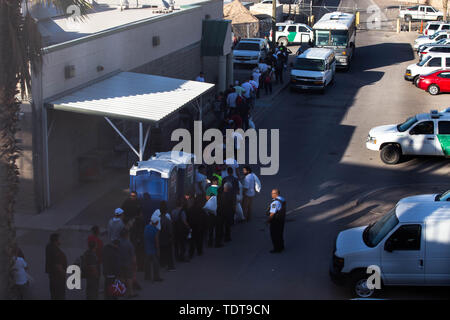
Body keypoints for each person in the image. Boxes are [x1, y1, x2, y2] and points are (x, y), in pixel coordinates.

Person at [45, 233, 67, 300]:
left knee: (54, 296)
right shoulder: (55, 250)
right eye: (60, 239)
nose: (61, 240)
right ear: (56, 240)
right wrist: (64, 274)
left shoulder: (49, 247)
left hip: (53, 276)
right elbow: (57, 265)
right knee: (59, 296)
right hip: (58, 278)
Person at [118, 229, 138, 298]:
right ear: (126, 235)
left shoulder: (118, 243)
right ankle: (131, 293)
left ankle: (122, 291)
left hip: (120, 263)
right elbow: (133, 256)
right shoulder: (129, 244)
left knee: (122, 278)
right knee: (129, 278)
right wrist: (135, 264)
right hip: (128, 264)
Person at [266, 189, 286, 253]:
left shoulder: (275, 203)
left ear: (276, 194)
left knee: (274, 235)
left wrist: (268, 221)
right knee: (280, 234)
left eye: (272, 193)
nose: (271, 195)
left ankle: (277, 249)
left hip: (276, 221)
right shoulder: (282, 199)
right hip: (282, 219)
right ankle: (281, 246)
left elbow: (272, 213)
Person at [144, 215, 163, 282]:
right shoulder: (155, 230)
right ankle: (156, 277)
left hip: (147, 249)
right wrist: (158, 251)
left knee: (147, 264)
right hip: (153, 250)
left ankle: (147, 277)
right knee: (156, 264)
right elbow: (157, 241)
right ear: (157, 222)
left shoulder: (146, 227)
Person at [171, 197, 190, 262]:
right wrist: (188, 227)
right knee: (182, 244)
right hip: (181, 230)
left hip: (175, 230)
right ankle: (182, 257)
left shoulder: (173, 211)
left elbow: (172, 220)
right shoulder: (182, 212)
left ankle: (176, 257)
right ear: (181, 204)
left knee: (176, 244)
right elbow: (184, 221)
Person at [159, 201, 175, 271]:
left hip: (160, 238)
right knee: (169, 253)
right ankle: (170, 266)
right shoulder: (167, 220)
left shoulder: (158, 219)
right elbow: (170, 231)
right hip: (166, 238)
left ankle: (162, 264)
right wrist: (171, 237)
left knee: (161, 252)